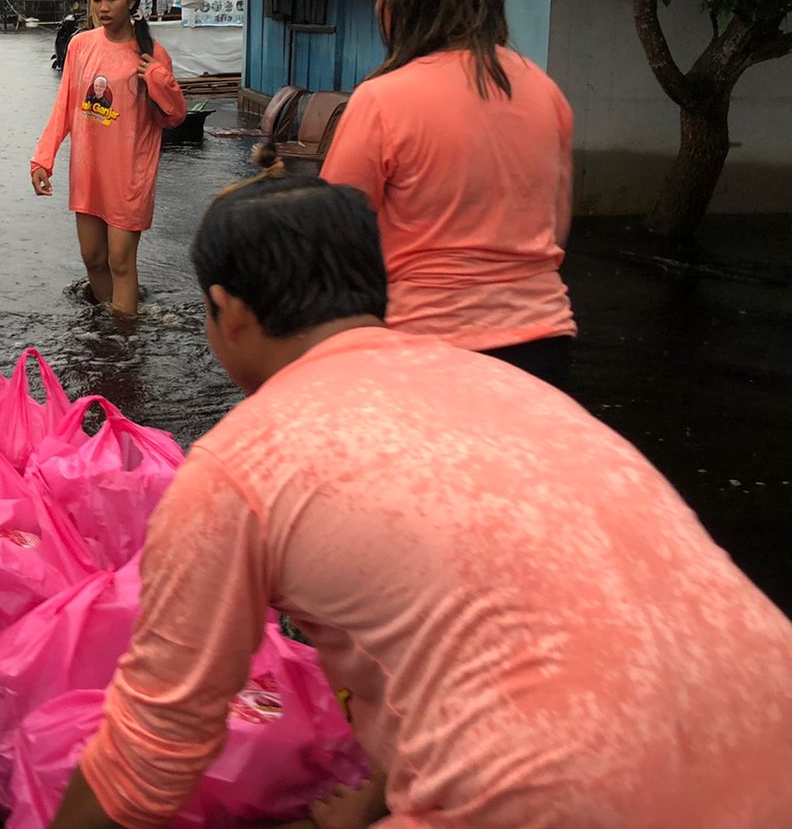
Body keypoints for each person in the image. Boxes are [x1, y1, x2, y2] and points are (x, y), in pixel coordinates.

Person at [46, 155, 792, 829]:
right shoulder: (511, 388)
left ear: (228, 311)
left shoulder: (241, 465)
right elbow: (478, 625)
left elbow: (152, 756)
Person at [319, 0, 575, 386]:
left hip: (423, 350)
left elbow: (333, 247)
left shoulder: (381, 101)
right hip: (542, 346)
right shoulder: (545, 92)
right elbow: (555, 232)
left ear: (399, 1)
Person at [31, 0, 186, 316]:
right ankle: (107, 335)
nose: (103, 8)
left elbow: (175, 117)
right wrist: (43, 158)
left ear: (130, 0)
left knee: (120, 262)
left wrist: (158, 80)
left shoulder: (151, 55)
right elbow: (64, 109)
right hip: (88, 171)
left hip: (129, 176)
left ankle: (125, 335)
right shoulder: (81, 45)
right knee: (93, 259)